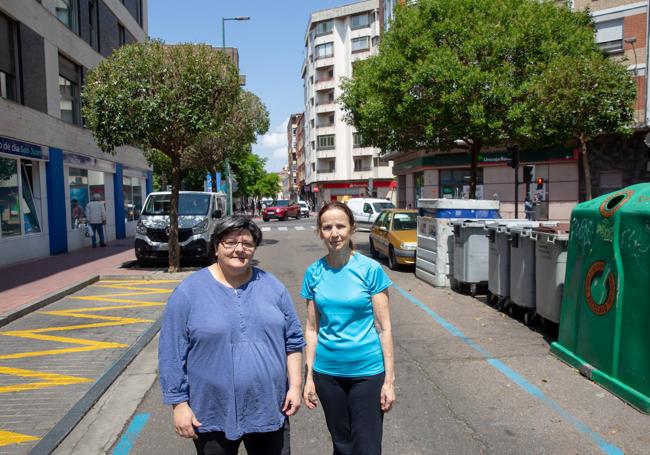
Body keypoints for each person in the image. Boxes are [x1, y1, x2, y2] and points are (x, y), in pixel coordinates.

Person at [159, 216, 304, 455]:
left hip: (268, 406)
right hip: (211, 411)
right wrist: (179, 404)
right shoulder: (188, 292)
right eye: (230, 242)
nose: (239, 249)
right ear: (216, 247)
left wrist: (295, 387)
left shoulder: (272, 286)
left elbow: (294, 340)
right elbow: (171, 352)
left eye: (247, 243)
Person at [301, 201, 395, 455]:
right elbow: (312, 329)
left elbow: (383, 328)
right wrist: (308, 379)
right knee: (342, 446)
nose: (334, 233)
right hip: (327, 373)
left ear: (352, 228)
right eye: (327, 227)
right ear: (320, 232)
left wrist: (389, 381)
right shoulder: (314, 273)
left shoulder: (370, 270)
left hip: (367, 372)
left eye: (340, 226)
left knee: (367, 447)